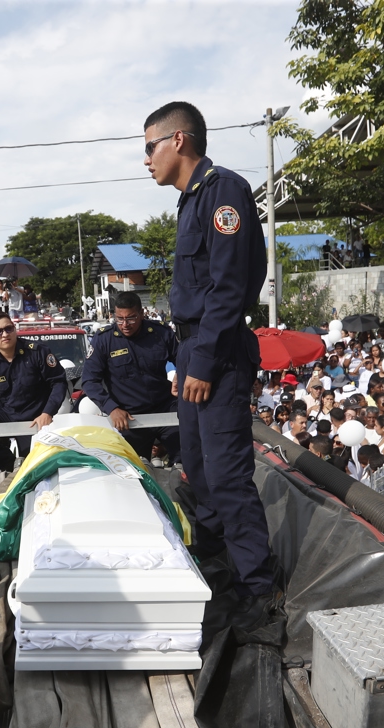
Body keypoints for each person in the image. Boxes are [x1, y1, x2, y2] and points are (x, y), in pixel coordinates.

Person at [144, 101, 278, 626]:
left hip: (215, 354)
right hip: (194, 350)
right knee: (197, 469)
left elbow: (229, 289)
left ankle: (257, 586)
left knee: (226, 475)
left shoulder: (223, 191)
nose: (146, 160)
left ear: (178, 140)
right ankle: (218, 562)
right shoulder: (189, 201)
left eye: (149, 147)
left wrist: (200, 361)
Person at [80, 291, 181, 463]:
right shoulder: (104, 340)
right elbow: (89, 381)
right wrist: (111, 408)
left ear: (142, 314)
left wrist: (181, 373)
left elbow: (183, 358)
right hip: (128, 417)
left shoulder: (160, 333)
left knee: (187, 459)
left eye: (131, 318)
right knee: (133, 472)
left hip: (165, 410)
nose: (125, 324)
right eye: (119, 319)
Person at [0, 311, 68, 471]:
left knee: (33, 465)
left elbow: (59, 382)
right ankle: (9, 463)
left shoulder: (37, 352)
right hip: (8, 413)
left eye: (8, 329)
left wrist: (47, 413)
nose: (5, 334)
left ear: (15, 329)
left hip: (36, 417)